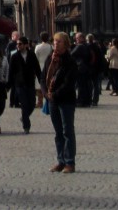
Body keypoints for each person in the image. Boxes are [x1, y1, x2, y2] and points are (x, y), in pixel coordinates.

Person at [44, 32, 78, 174]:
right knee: (58, 132)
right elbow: (43, 76)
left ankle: (70, 162)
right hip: (52, 100)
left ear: (66, 44)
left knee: (67, 131)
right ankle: (61, 161)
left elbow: (69, 83)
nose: (56, 45)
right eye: (55, 42)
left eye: (59, 42)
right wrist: (46, 93)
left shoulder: (70, 61)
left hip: (66, 101)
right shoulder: (50, 59)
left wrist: (54, 94)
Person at [8, 35, 42, 133]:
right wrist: (9, 85)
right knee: (24, 104)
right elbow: (11, 71)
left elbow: (37, 69)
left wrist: (41, 81)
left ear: (26, 45)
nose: (18, 46)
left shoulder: (32, 55)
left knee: (31, 103)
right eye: (17, 44)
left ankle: (24, 117)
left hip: (30, 82)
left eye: (20, 44)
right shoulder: (14, 56)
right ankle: (26, 126)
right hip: (19, 84)